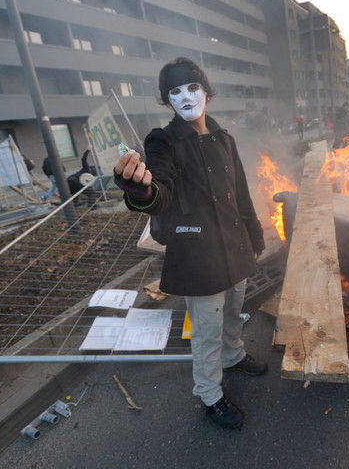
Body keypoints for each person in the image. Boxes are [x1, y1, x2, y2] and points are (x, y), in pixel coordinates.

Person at [113, 57, 266, 429]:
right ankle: (210, 395)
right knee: (206, 330)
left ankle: (234, 356)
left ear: (206, 92)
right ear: (168, 100)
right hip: (198, 256)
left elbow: (240, 194)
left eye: (192, 87)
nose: (185, 96)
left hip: (234, 245)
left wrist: (255, 232)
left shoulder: (223, 137)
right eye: (174, 91)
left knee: (234, 311)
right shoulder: (163, 141)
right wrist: (140, 188)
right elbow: (159, 192)